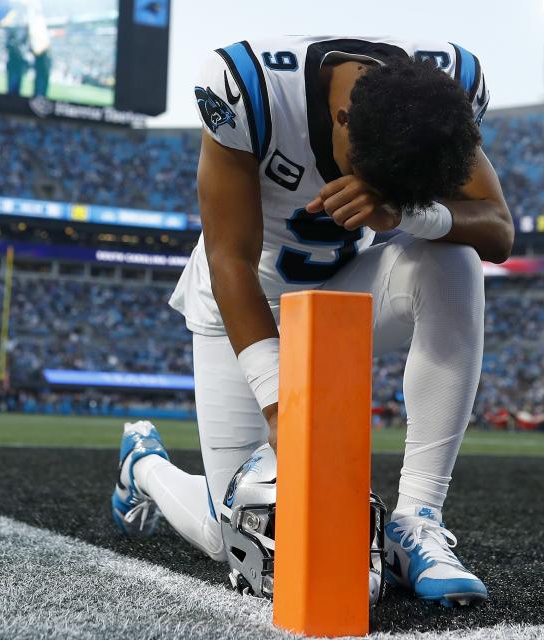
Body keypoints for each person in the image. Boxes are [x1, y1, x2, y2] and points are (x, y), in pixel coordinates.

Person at [111, 36, 513, 607]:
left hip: (344, 294)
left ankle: (416, 519)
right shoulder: (249, 88)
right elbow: (230, 258)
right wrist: (283, 405)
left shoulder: (439, 93)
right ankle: (144, 464)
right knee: (240, 537)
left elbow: (497, 230)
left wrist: (409, 212)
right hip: (248, 299)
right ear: (341, 120)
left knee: (454, 261)